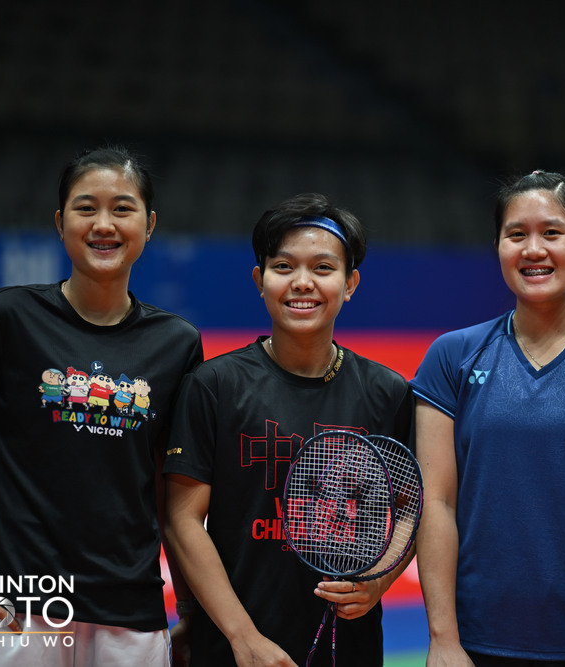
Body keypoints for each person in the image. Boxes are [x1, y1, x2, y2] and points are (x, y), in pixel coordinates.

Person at [0, 146, 204, 665]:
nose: (104, 224)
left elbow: (167, 487)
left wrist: (192, 608)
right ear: (60, 220)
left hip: (131, 616)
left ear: (149, 224)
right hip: (17, 612)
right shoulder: (4, 318)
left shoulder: (177, 343)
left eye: (123, 209)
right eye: (86, 208)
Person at [162, 192, 416, 666]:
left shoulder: (388, 392)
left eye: (323, 268)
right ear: (260, 281)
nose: (302, 283)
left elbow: (411, 509)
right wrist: (242, 637)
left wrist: (379, 582)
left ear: (350, 283)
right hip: (235, 650)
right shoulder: (214, 385)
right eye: (283, 267)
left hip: (352, 647)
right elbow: (181, 520)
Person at [410, 170, 565, 666]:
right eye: (516, 234)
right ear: (498, 246)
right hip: (471, 647)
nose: (533, 249)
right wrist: (444, 640)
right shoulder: (451, 356)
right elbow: (437, 503)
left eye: (552, 233)